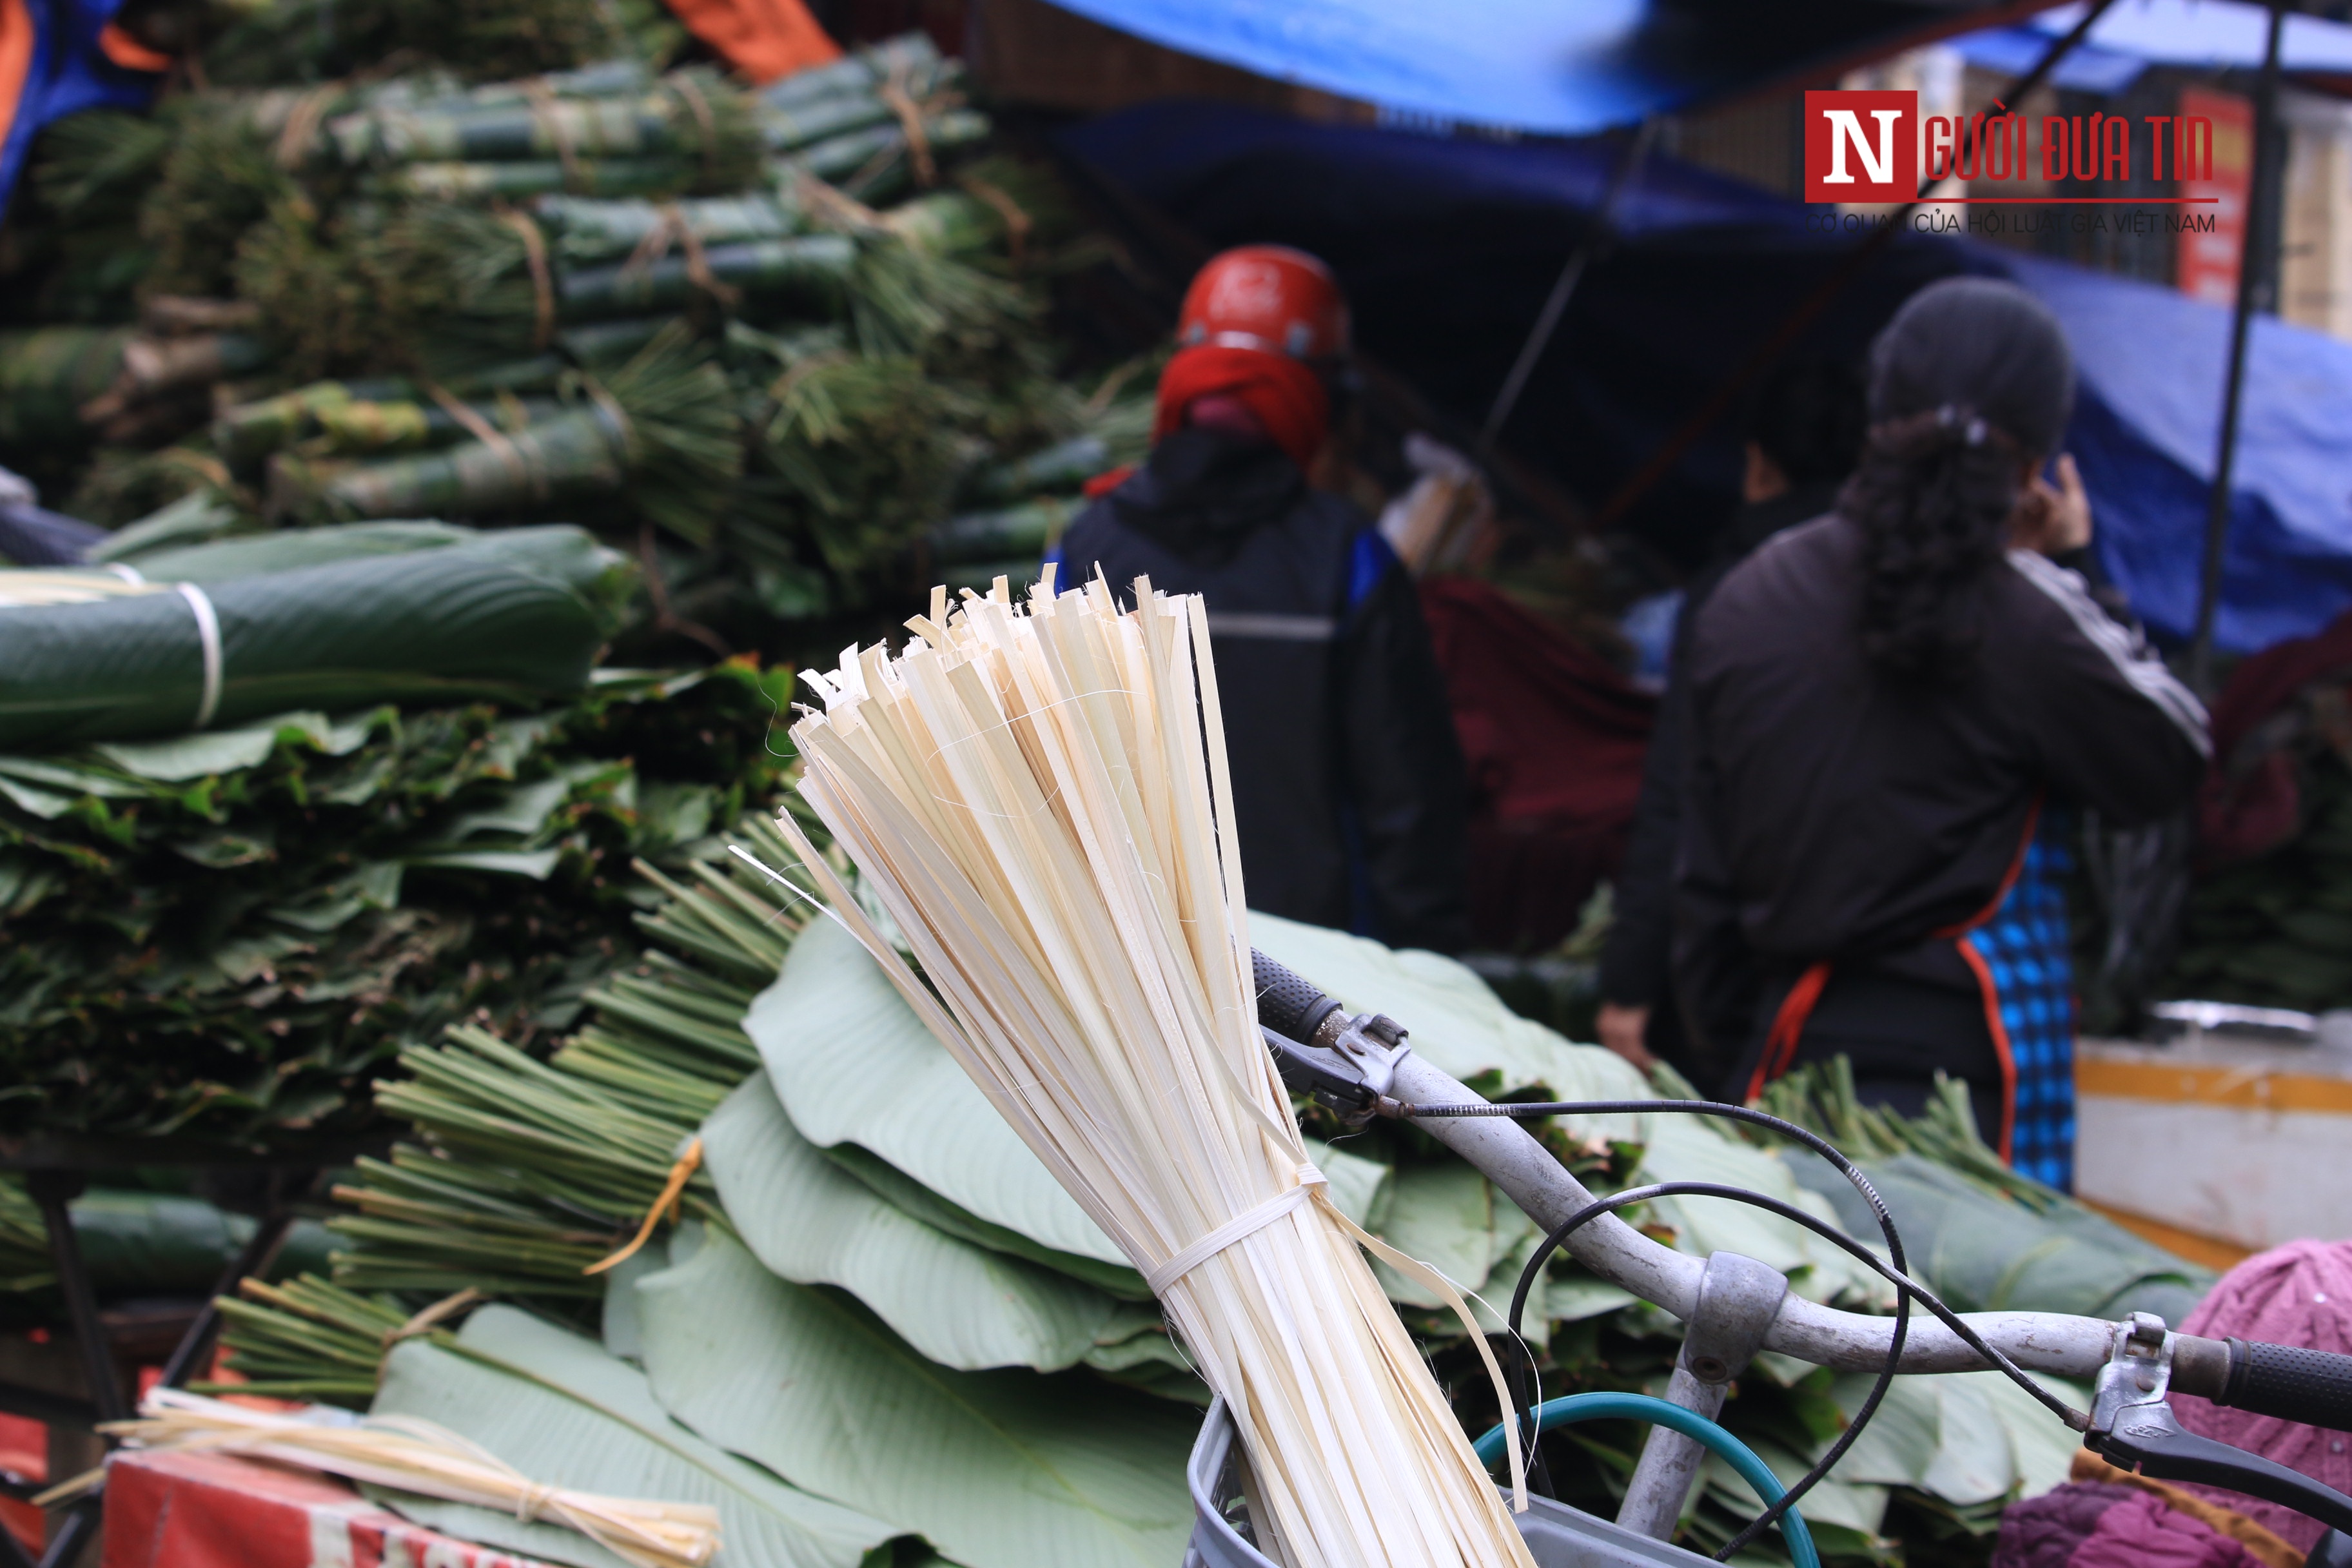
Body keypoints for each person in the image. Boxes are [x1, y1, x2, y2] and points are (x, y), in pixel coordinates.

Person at [1678, 277, 2209, 1182]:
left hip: (1787, 1060)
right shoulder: (2030, 614)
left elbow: (1704, 875)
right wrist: (2080, 570)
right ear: (2040, 454)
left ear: (1878, 411)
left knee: (1809, 1311)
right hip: (1975, 1086)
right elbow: (2170, 760)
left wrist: (1730, 1047)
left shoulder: (1749, 600)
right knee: (1976, 1325)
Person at [1053, 245, 1471, 952]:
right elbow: (1409, 794)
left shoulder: (1086, 545)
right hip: (1324, 979)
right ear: (1320, 398)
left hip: (1135, 962)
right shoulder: (1347, 557)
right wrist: (1429, 964)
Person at [1596, 356, 1867, 1083]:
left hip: (1738, 965)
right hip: (1879, 968)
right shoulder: (1908, 584)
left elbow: (1679, 792)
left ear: (1756, 463)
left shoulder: (1731, 595)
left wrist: (1631, 975)